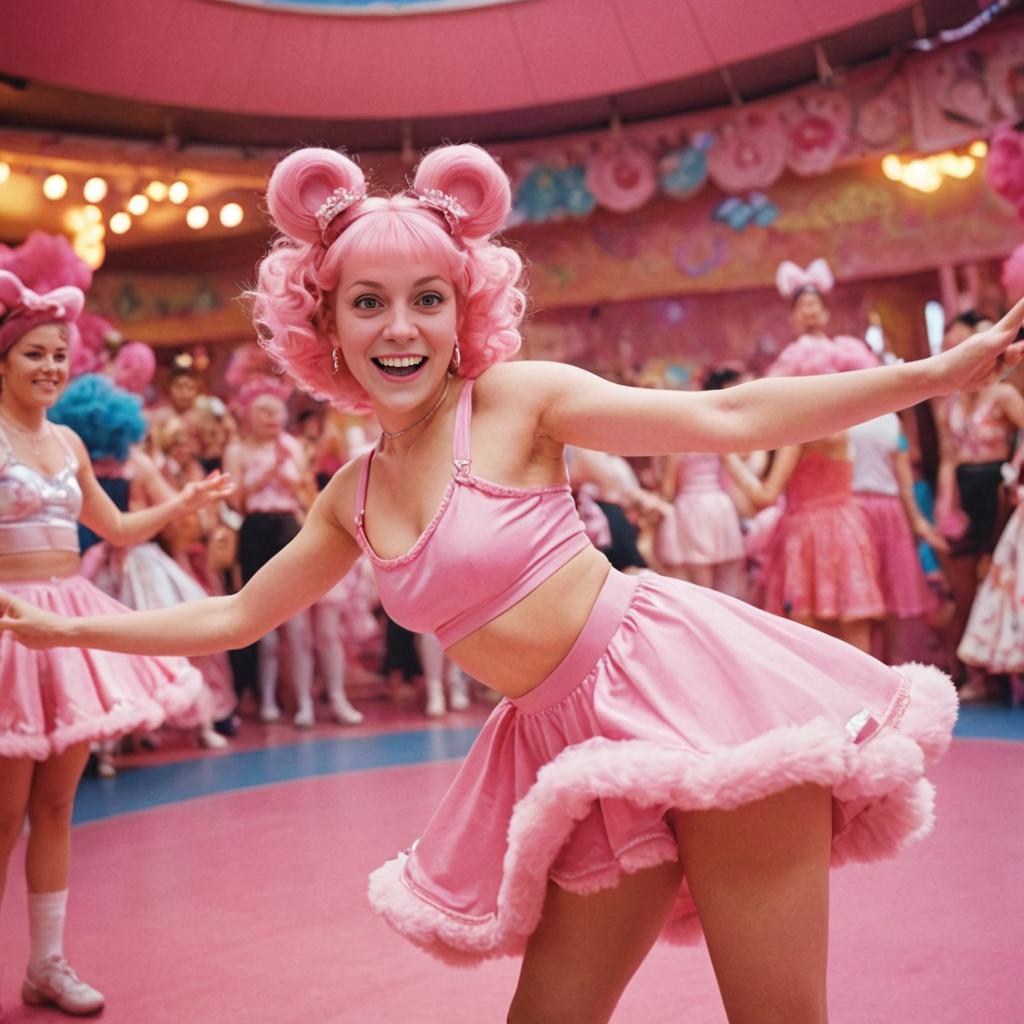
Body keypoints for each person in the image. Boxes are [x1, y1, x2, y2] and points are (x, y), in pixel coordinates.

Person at [1, 146, 1021, 1024]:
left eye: (426, 299)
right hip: (569, 748)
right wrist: (61, 629)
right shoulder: (347, 496)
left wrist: (937, 373)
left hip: (688, 691)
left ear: (462, 309)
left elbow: (732, 418)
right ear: (329, 326)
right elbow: (233, 613)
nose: (400, 327)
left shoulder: (516, 401)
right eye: (369, 302)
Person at [0, 269, 231, 1018]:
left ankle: (47, 964)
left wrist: (182, 502)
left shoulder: (65, 440)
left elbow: (115, 528)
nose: (50, 368)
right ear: (3, 360)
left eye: (59, 355)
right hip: (7, 623)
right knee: (3, 813)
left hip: (67, 624)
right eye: (34, 353)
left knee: (57, 806)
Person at [723, 261, 888, 654]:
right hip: (848, 527)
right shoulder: (842, 425)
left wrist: (725, 456)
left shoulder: (802, 432)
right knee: (858, 647)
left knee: (815, 651)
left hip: (806, 534)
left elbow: (763, 497)